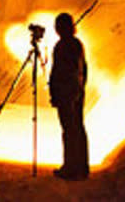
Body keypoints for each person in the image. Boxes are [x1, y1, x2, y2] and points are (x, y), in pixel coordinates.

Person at [49, 12, 89, 180]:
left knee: (70, 130)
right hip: (76, 91)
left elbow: (61, 71)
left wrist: (58, 92)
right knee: (77, 128)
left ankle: (72, 168)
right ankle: (81, 166)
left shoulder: (64, 46)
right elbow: (83, 70)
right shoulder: (76, 44)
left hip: (68, 93)